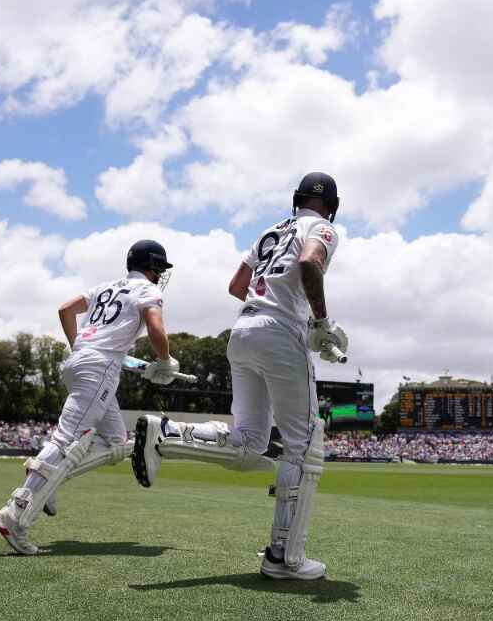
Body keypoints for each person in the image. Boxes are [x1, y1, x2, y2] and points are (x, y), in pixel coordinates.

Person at [132, 172, 348, 580]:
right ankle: (285, 558)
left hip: (243, 329)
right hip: (281, 335)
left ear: (295, 199)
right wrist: (318, 320)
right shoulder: (321, 227)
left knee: (250, 442)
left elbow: (237, 285)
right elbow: (308, 262)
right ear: (332, 206)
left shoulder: (269, 230)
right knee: (304, 446)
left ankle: (166, 434)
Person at [0, 239, 184, 555]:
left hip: (81, 361)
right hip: (99, 368)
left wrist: (79, 344)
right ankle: (15, 515)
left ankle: (45, 475)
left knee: (117, 441)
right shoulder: (148, 290)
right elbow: (156, 330)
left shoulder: (105, 286)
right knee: (67, 440)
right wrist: (164, 362)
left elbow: (65, 309)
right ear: (154, 267)